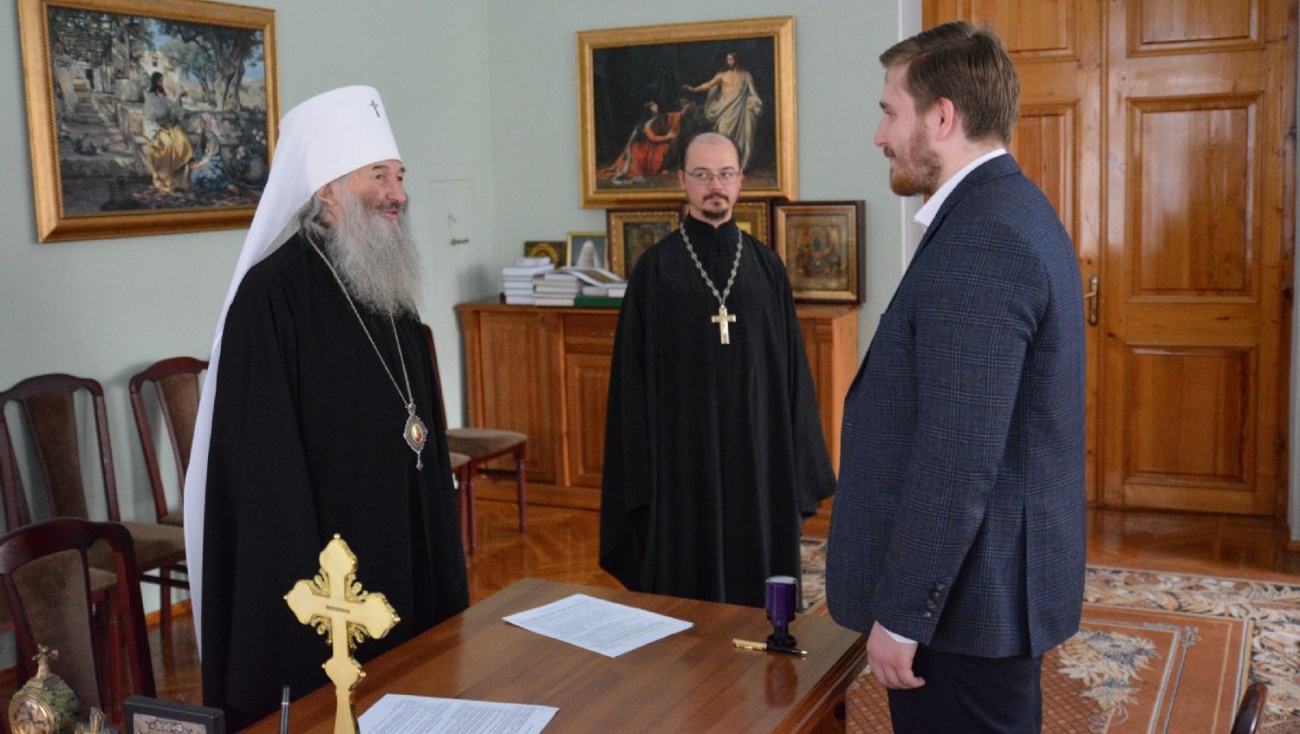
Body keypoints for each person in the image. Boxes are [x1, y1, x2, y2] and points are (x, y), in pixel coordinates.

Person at [824, 22, 1086, 733]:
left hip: (966, 609)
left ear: (941, 117)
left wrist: (903, 615)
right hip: (982, 590)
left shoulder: (985, 236)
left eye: (890, 112)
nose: (880, 136)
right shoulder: (1002, 209)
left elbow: (957, 453)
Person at [183, 86, 469, 730]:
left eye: (399, 176)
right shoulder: (271, 297)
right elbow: (264, 469)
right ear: (328, 190)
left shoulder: (386, 281)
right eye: (379, 176)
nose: (398, 194)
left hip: (401, 525)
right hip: (325, 556)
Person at [600, 132, 835, 608]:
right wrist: (640, 468)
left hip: (757, 453)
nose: (715, 186)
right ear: (682, 181)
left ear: (740, 180)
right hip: (681, 459)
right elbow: (631, 382)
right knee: (685, 594)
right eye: (703, 175)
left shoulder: (766, 267)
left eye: (725, 174)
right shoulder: (655, 271)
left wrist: (797, 461)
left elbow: (793, 376)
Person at [682, 52, 762, 170]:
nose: (729, 62)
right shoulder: (722, 75)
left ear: (736, 60)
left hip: (739, 112)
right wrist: (694, 89)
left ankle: (736, 167)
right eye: (728, 59)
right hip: (725, 110)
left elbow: (753, 93)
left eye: (731, 59)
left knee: (738, 141)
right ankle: (722, 165)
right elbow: (708, 84)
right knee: (723, 136)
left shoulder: (746, 76)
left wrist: (753, 103)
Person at [606, 100, 685, 184]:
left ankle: (657, 170)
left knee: (665, 147)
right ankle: (651, 171)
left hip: (649, 147)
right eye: (653, 106)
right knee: (663, 147)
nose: (656, 106)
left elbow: (670, 116)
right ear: (649, 110)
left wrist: (681, 113)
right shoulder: (647, 123)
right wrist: (667, 137)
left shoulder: (657, 118)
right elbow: (652, 138)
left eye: (655, 105)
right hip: (641, 150)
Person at [142, 72, 193, 191]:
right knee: (167, 144)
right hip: (155, 128)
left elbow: (172, 110)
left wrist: (179, 97)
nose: (162, 83)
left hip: (167, 126)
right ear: (155, 82)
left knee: (182, 141)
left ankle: (179, 178)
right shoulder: (150, 98)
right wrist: (154, 135)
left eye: (162, 81)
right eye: (160, 81)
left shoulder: (162, 97)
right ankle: (166, 179)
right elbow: (148, 119)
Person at [188, 114, 237, 193]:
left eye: (203, 122)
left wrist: (197, 165)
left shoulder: (212, 138)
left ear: (207, 124)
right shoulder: (202, 135)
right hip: (204, 160)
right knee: (194, 176)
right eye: (201, 122)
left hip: (213, 163)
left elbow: (209, 158)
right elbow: (199, 150)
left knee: (201, 174)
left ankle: (228, 187)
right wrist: (196, 161)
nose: (201, 124)